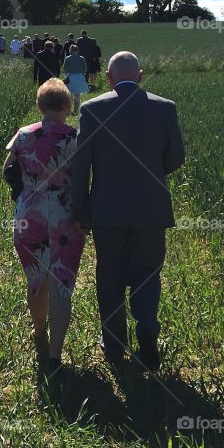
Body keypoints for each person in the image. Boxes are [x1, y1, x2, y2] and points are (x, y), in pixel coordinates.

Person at [71, 51, 185, 374]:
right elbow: (176, 157)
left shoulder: (92, 109)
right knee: (147, 272)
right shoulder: (165, 108)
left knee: (110, 277)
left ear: (107, 78)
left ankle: (114, 346)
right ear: (141, 76)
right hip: (151, 209)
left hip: (107, 212)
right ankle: (147, 326)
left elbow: (82, 165)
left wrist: (80, 208)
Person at [3, 78, 87, 365]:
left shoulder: (23, 135)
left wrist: (24, 191)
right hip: (65, 215)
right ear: (67, 105)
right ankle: (55, 354)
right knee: (62, 283)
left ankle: (39, 332)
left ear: (40, 105)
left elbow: (8, 169)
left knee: (36, 279)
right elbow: (83, 179)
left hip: (29, 214)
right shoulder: (75, 137)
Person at [61, 43, 90, 113]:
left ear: (70, 50)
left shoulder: (67, 58)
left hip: (69, 77)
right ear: (77, 50)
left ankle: (69, 110)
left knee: (69, 95)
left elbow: (64, 68)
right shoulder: (82, 58)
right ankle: (75, 110)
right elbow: (85, 68)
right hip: (79, 77)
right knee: (77, 95)